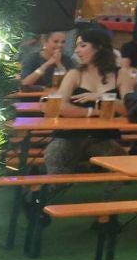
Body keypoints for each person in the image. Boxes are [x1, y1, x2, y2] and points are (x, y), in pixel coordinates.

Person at [44, 25, 129, 173]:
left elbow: (128, 108)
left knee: (120, 159)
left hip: (104, 136)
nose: (77, 51)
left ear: (99, 47)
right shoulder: (75, 74)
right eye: (77, 46)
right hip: (70, 135)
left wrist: (102, 96)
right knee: (55, 153)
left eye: (83, 46)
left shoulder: (120, 74)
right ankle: (56, 193)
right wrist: (94, 111)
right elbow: (61, 106)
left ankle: (110, 196)